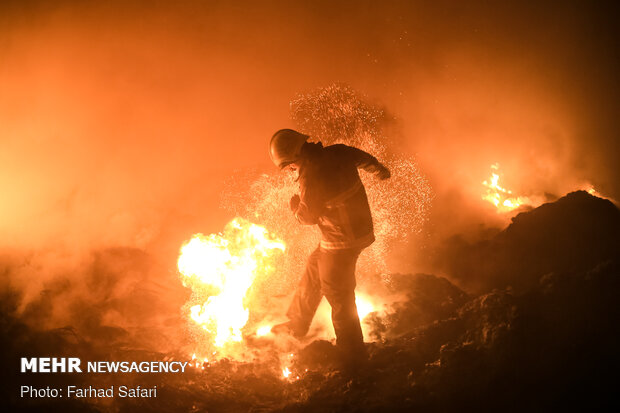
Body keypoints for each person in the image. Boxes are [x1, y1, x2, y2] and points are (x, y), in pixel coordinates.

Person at [269, 128, 390, 368]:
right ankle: (296, 325)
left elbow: (309, 216)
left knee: (338, 293)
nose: (290, 169)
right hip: (356, 231)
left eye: (289, 165)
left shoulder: (310, 175)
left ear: (296, 156)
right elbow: (363, 158)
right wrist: (379, 170)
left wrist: (295, 207)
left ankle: (352, 357)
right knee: (314, 267)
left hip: (341, 241)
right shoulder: (338, 151)